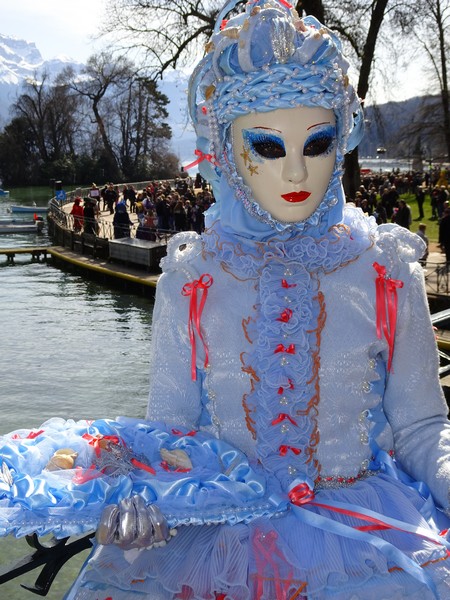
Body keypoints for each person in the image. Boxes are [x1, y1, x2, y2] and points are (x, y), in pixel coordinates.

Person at [0, 2, 450, 599]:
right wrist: (141, 495)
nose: (296, 170)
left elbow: (421, 424)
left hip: (366, 538)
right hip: (213, 535)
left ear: (342, 139)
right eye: (266, 146)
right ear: (227, 150)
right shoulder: (191, 276)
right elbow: (170, 431)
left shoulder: (385, 268)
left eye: (316, 143)